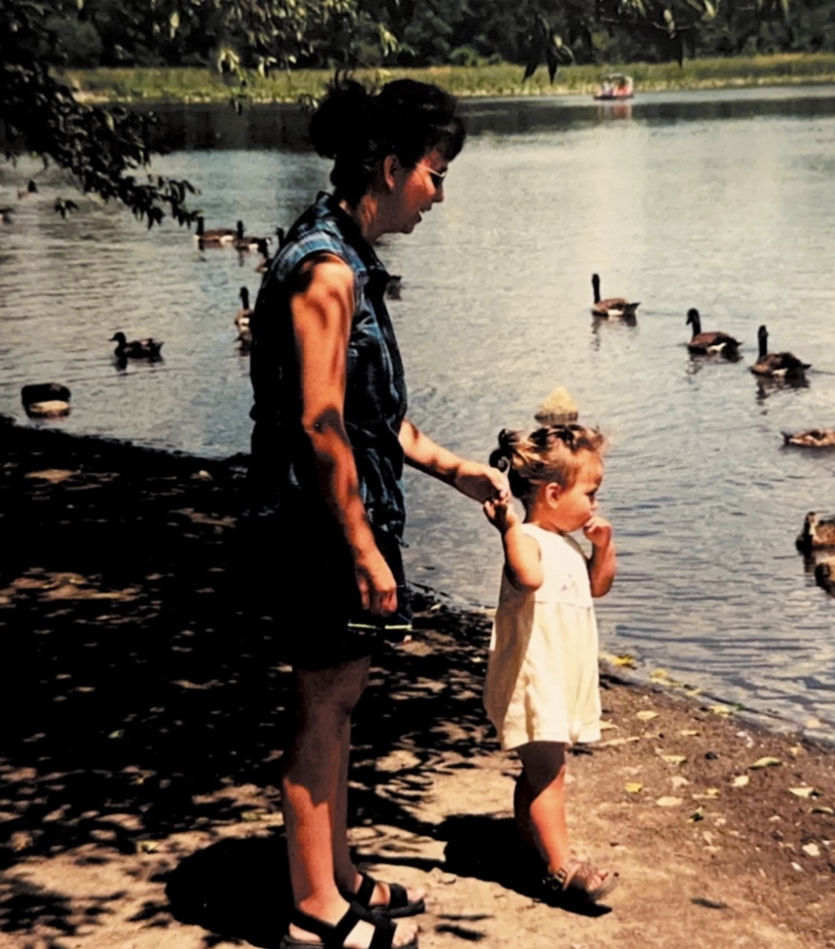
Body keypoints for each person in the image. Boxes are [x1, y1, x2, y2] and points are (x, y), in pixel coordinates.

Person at [247, 78, 510, 949]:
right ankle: (312, 906)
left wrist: (460, 471)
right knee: (321, 704)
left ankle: (340, 872)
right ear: (392, 167)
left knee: (342, 699)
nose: (440, 192)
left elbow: (378, 418)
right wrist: (363, 547)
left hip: (341, 519)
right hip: (318, 525)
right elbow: (320, 425)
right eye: (437, 172)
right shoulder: (325, 271)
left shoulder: (347, 254)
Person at [481, 424, 620, 906]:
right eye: (591, 494)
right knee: (549, 773)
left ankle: (531, 844)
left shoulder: (568, 543)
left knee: (542, 770)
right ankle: (561, 866)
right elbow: (528, 577)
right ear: (554, 493)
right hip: (534, 677)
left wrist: (603, 548)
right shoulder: (529, 540)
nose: (595, 504)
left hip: (562, 674)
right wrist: (507, 528)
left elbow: (598, 586)